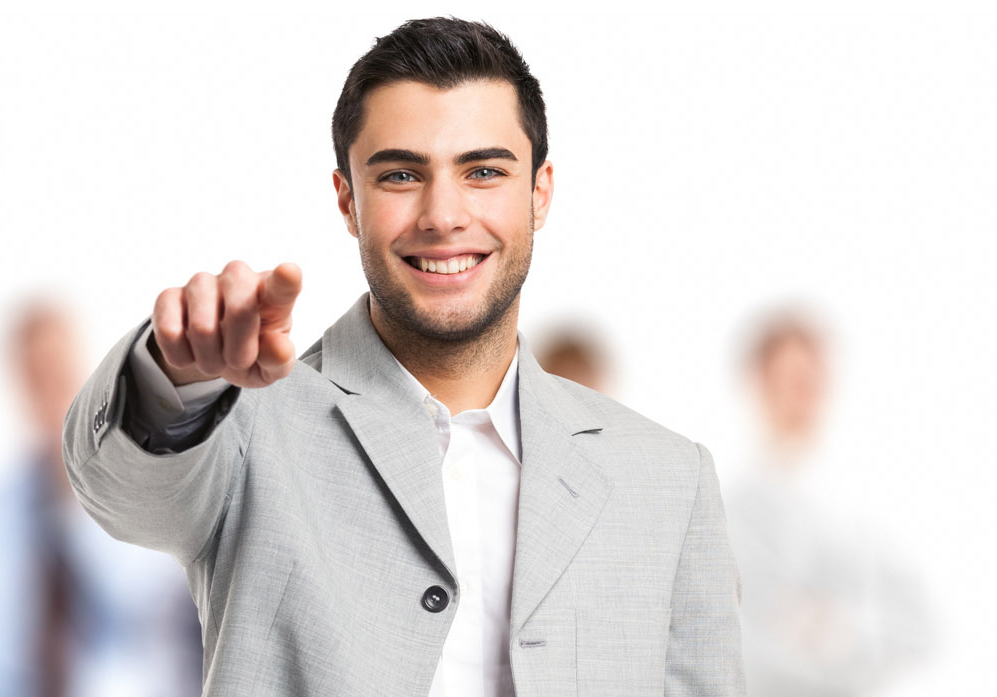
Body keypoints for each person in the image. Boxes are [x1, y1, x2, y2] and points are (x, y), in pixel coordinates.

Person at [62, 18, 743, 696]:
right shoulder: (248, 430)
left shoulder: (670, 481)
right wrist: (174, 374)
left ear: (539, 193)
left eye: (483, 171)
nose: (443, 215)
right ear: (347, 201)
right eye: (400, 175)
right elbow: (125, 496)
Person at [0, 299, 202, 697]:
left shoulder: (153, 496)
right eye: (37, 377)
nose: (51, 392)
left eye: (60, 373)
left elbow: (154, 622)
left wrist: (75, 480)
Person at [726, 310, 932, 696]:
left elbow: (918, 626)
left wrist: (838, 633)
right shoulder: (736, 511)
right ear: (760, 385)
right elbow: (754, 637)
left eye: (811, 380)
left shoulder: (863, 503)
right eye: (789, 381)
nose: (802, 395)